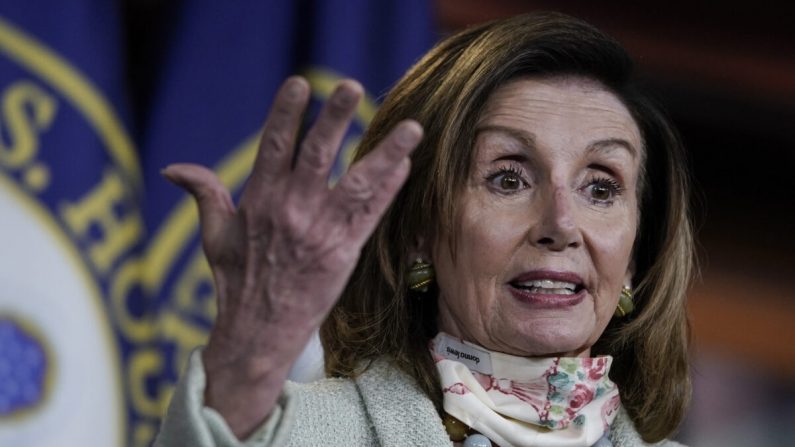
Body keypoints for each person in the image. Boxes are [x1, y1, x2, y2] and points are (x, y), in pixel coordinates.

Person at [156, 11, 693, 447]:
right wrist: (248, 359)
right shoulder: (300, 435)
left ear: (635, 259)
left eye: (600, 188)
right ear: (419, 231)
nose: (560, 225)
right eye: (508, 178)